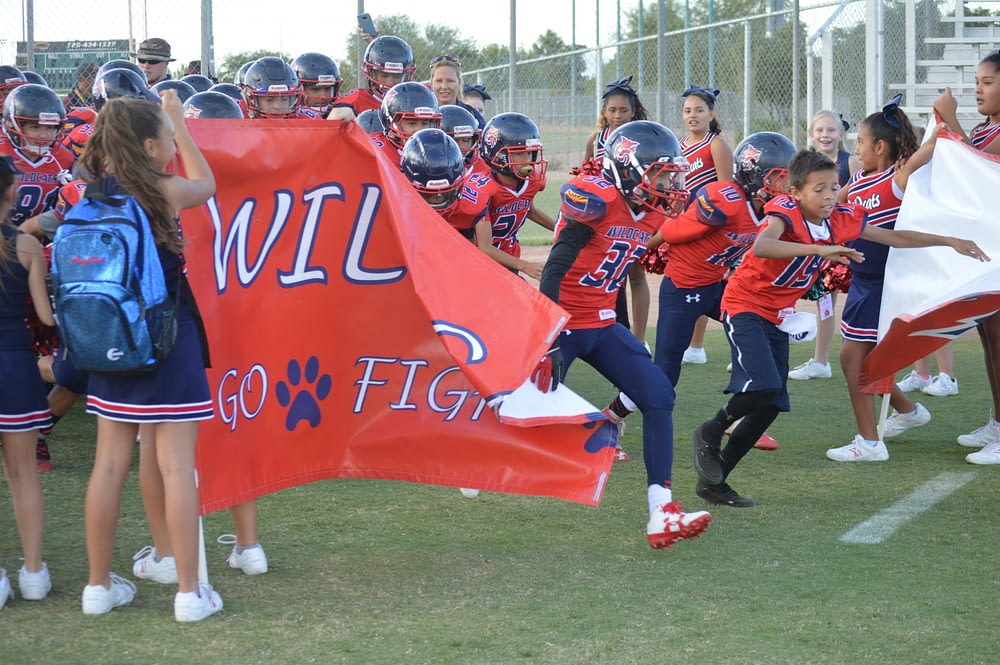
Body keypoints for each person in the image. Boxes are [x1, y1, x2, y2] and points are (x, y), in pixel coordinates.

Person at [693, 150, 985, 500]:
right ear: (796, 191)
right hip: (744, 306)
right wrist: (818, 250)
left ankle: (715, 481)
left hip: (778, 315)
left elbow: (895, 237)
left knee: (771, 403)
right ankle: (709, 431)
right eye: (819, 189)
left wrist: (949, 241)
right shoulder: (784, 211)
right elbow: (763, 246)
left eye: (834, 187)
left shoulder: (841, 218)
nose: (830, 196)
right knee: (764, 386)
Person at [77, 90, 223, 621]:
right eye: (164, 139)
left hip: (108, 344)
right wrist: (183, 126)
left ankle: (97, 587)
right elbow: (207, 185)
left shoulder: (87, 196)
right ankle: (189, 592)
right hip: (167, 338)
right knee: (176, 466)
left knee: (108, 464)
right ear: (150, 145)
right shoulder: (164, 190)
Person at [537, 119, 711, 548]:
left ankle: (661, 511)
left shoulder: (649, 210)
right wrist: (549, 333)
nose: (671, 182)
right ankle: (476, 458)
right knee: (518, 402)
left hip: (600, 323)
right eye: (662, 173)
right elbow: (556, 266)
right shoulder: (595, 198)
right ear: (630, 168)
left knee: (658, 395)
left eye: (673, 173)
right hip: (564, 322)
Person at [825, 100, 960, 462]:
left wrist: (943, 118)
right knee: (864, 360)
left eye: (861, 142)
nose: (856, 149)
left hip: (884, 286)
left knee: (853, 359)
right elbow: (833, 207)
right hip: (861, 282)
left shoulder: (896, 179)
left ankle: (869, 442)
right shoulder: (855, 180)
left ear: (880, 148)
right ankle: (908, 412)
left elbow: (930, 149)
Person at [934, 50, 1000, 462]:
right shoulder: (982, 128)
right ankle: (998, 420)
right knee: (990, 338)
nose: (978, 88)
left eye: (988, 82)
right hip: (986, 252)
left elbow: (984, 172)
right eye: (977, 80)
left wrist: (951, 124)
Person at [0, 154, 55, 610]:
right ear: (11, 194)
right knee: (22, 476)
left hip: (14, 363)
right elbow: (44, 316)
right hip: (16, 366)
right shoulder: (26, 245)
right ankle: (34, 572)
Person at [789, 110, 863, 381]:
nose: (825, 135)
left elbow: (858, 199)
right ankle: (783, 353)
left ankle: (822, 361)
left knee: (830, 301)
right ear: (811, 134)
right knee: (801, 297)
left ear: (841, 134)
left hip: (840, 242)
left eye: (831, 130)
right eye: (819, 130)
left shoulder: (850, 162)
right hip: (811, 240)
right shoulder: (805, 162)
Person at [679, 85, 734, 366]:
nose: (693, 116)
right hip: (684, 225)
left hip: (709, 226)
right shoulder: (678, 145)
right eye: (688, 111)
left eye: (699, 110)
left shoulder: (716, 144)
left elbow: (727, 190)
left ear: (711, 114)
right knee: (693, 283)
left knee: (713, 285)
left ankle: (737, 343)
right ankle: (694, 346)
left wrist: (716, 223)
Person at [478, 112, 553, 278]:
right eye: (519, 153)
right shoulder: (484, 188)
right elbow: (484, 247)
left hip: (509, 258)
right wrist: (525, 266)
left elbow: (529, 210)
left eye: (529, 152)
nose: (527, 160)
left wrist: (560, 229)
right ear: (497, 154)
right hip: (482, 264)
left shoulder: (531, 182)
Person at [0, 84, 73, 227]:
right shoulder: (3, 154)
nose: (43, 135)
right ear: (13, 125)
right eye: (35, 127)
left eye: (50, 127)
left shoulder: (64, 159)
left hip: (38, 239)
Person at [339, 36, 415, 115]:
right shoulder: (356, 100)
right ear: (371, 72)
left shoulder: (414, 100)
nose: (390, 82)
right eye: (384, 75)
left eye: (397, 75)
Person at [372, 81, 441, 167]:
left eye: (424, 123)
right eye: (412, 123)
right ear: (391, 122)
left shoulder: (438, 151)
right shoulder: (377, 151)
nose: (419, 130)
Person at [428, 55, 486, 128]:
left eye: (450, 81)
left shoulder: (471, 114)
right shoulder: (422, 113)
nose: (444, 87)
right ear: (431, 83)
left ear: (459, 82)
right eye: (439, 81)